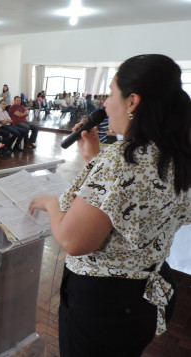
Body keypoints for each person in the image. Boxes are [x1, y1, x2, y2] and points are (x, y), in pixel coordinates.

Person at [29, 54, 191, 357]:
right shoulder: (178, 152)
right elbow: (133, 196)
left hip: (105, 305)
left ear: (132, 101)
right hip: (147, 291)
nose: (103, 104)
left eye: (110, 93)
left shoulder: (121, 161)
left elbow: (73, 241)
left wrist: (51, 204)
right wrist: (95, 157)